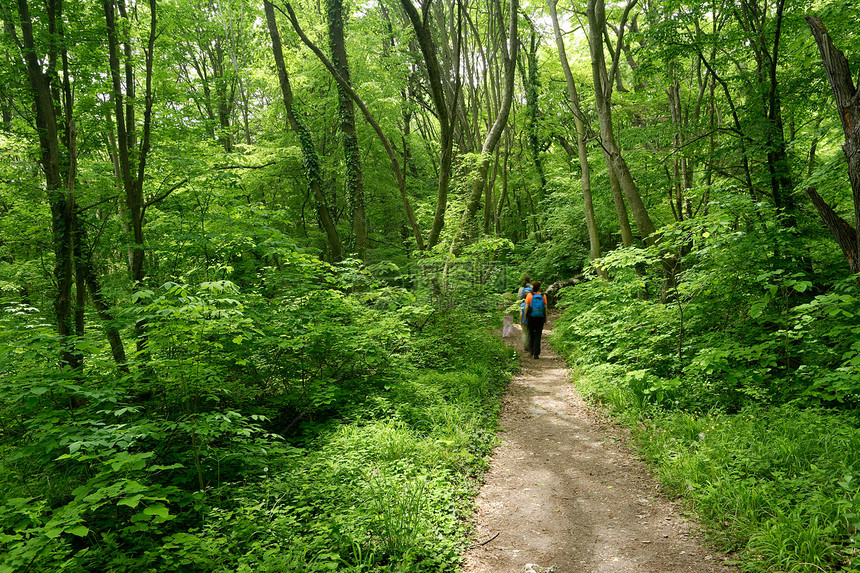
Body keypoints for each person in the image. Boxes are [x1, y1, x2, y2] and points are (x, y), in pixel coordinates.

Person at [524, 281, 546, 359]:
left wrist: (525, 317)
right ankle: (536, 353)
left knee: (531, 334)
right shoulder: (543, 296)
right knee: (538, 335)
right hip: (540, 318)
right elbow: (545, 308)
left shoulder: (529, 295)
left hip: (531, 317)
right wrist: (545, 317)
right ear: (539, 287)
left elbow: (526, 307)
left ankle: (532, 351)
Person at [517, 275, 532, 352]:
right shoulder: (532, 288)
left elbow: (519, 299)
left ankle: (526, 346)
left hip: (523, 310)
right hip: (531, 309)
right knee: (531, 330)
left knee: (524, 332)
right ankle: (531, 345)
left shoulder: (521, 289)